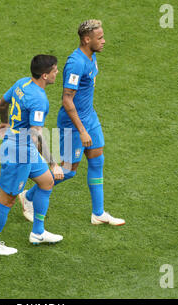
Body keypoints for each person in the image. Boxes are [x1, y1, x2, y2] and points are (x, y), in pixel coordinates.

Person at [19, 20, 125, 226]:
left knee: (97, 160)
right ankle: (28, 197)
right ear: (87, 40)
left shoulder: (91, 55)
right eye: (100, 38)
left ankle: (98, 213)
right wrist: (82, 130)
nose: (104, 41)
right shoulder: (76, 63)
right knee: (68, 170)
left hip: (89, 116)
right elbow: (67, 100)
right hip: (73, 123)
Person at [0, 55, 64, 256]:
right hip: (19, 151)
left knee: (46, 182)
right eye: (55, 70)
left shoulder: (22, 83)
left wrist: (4, 123)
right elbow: (36, 134)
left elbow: (3, 103)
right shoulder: (39, 100)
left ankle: (38, 232)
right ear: (45, 75)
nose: (57, 73)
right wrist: (53, 162)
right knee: (7, 200)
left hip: (23, 146)